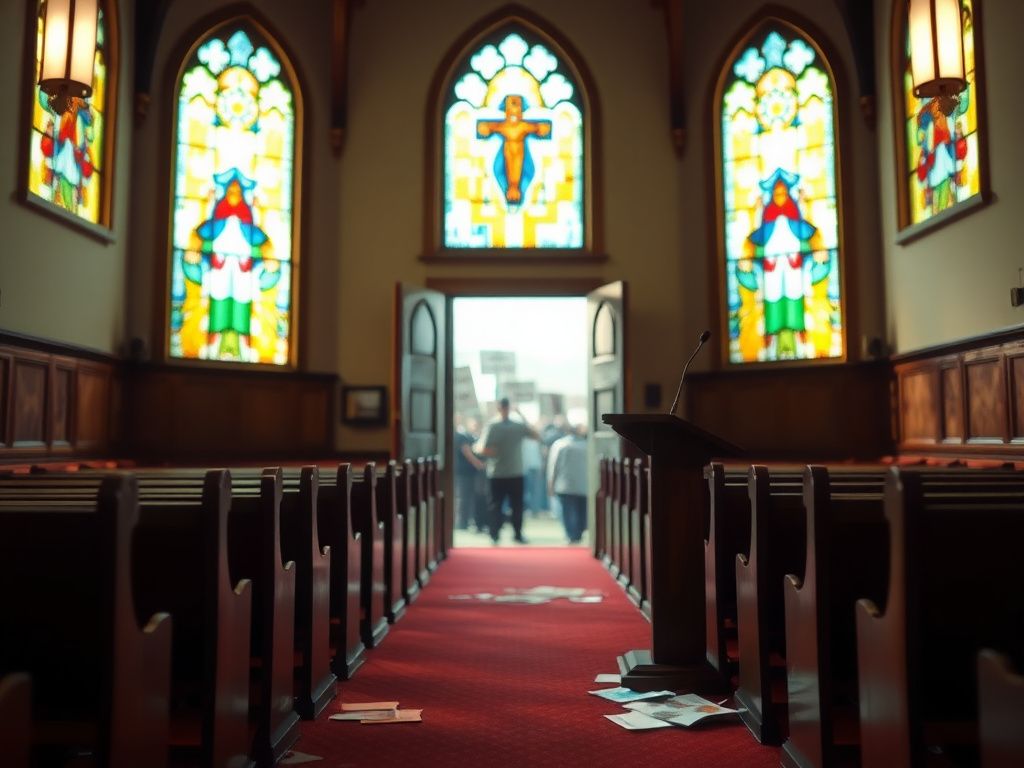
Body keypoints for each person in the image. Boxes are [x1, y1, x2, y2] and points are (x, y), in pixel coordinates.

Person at [476, 398, 540, 544]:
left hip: (506, 472)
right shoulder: (497, 426)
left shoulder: (498, 425)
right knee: (505, 505)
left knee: (505, 505)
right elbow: (536, 435)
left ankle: (503, 534)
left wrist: (492, 452)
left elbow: (481, 448)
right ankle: (501, 533)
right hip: (504, 472)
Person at [547, 423, 589, 544]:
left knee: (568, 512)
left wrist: (551, 483)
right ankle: (579, 533)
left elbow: (553, 466)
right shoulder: (586, 445)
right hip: (583, 484)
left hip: (564, 484)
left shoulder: (559, 445)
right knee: (582, 510)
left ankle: (571, 534)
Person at [453, 415, 486, 530]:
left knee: (470, 497)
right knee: (464, 497)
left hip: (471, 472)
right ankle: (462, 522)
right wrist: (479, 464)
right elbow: (467, 452)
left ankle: (467, 521)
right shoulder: (462, 437)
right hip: (464, 472)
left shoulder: (472, 437)